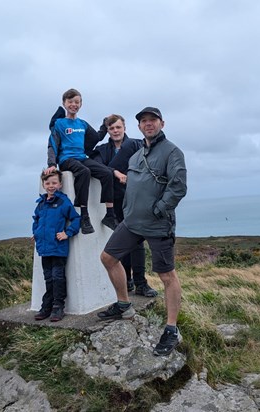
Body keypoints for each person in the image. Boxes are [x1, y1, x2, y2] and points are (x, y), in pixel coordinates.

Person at [98, 107, 187, 356]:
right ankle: (124, 304)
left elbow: (178, 187)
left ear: (162, 123)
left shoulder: (172, 152)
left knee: (167, 275)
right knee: (108, 257)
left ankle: (171, 329)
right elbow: (130, 183)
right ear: (138, 127)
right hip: (132, 221)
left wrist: (159, 210)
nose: (148, 124)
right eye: (144, 121)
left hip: (158, 223)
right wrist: (127, 209)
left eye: (153, 120)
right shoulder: (136, 156)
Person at [91, 114, 157, 297]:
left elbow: (148, 165)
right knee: (121, 242)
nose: (115, 131)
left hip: (136, 199)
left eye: (118, 127)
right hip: (115, 201)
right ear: (107, 131)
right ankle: (126, 280)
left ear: (124, 128)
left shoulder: (136, 144)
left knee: (137, 242)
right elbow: (95, 167)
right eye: (111, 128)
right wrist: (115, 171)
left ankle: (141, 283)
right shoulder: (102, 150)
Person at [45, 88, 117, 234]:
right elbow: (52, 144)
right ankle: (84, 216)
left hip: (82, 157)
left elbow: (96, 137)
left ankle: (109, 215)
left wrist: (104, 124)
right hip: (66, 159)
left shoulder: (82, 124)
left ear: (81, 104)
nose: (74, 104)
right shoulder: (59, 124)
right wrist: (52, 164)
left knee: (107, 173)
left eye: (77, 102)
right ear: (64, 103)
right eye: (70, 101)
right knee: (84, 172)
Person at [33, 169, 81, 322]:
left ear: (60, 184)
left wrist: (67, 233)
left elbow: (76, 219)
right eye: (47, 183)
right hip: (44, 248)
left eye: (54, 183)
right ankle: (46, 306)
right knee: (48, 278)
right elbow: (36, 220)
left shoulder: (63, 201)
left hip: (58, 247)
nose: (51, 186)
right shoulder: (40, 204)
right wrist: (36, 232)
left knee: (57, 277)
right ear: (43, 185)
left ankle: (58, 307)